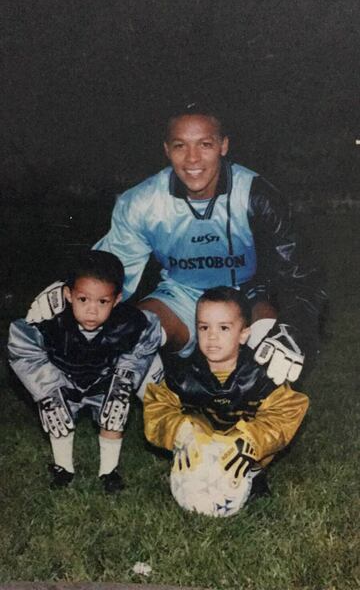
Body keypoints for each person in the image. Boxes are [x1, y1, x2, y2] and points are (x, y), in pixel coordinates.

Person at [26, 101, 326, 385]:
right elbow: (111, 268)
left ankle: (258, 417)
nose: (192, 159)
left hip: (246, 294)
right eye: (181, 146)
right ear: (167, 150)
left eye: (205, 145)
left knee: (274, 345)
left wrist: (294, 330)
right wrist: (68, 286)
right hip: (181, 293)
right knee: (132, 331)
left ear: (223, 146)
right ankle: (161, 404)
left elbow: (299, 275)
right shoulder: (143, 202)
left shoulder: (257, 195)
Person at [8, 251, 162, 492]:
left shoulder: (130, 322)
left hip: (103, 380)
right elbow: (21, 344)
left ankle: (109, 471)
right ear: (68, 295)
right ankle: (63, 468)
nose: (92, 310)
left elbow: (149, 335)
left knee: (115, 412)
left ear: (117, 299)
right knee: (57, 414)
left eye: (102, 302)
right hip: (64, 381)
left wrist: (123, 379)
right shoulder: (50, 320)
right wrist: (47, 388)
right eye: (83, 300)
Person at [143, 286, 309, 508]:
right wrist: (180, 431)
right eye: (204, 327)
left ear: (243, 334)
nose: (212, 336)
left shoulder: (261, 374)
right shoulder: (182, 374)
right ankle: (194, 476)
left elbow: (288, 411)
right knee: (189, 430)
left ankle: (254, 475)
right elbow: (157, 408)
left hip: (245, 452)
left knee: (261, 432)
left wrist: (251, 441)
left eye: (223, 328)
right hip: (199, 448)